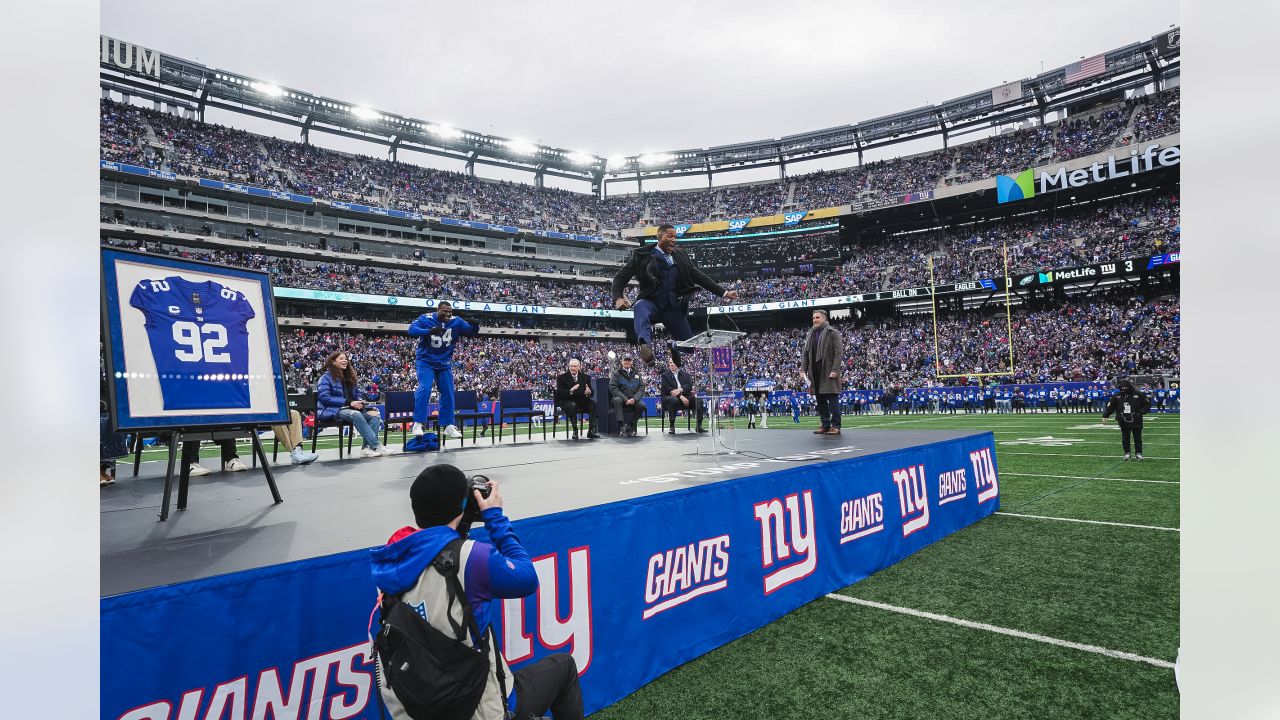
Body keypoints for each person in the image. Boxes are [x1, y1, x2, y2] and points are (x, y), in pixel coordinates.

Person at [370, 464, 584, 720]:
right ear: (463, 504)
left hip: (418, 704)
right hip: (476, 706)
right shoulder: (470, 557)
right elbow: (527, 579)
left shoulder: (392, 559)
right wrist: (495, 517)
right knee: (564, 667)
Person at [610, 224, 740, 366]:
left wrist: (724, 292)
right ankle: (644, 344)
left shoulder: (681, 255)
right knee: (640, 307)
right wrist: (618, 298)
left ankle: (674, 345)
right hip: (651, 302)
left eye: (675, 237)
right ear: (659, 236)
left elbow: (697, 275)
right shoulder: (642, 255)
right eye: (670, 236)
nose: (674, 240)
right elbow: (620, 278)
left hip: (673, 307)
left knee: (689, 348)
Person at [408, 301, 480, 440]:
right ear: (438, 310)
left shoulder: (457, 321)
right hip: (426, 361)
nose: (447, 314)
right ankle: (418, 423)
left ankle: (449, 425)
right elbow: (411, 330)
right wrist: (428, 331)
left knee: (448, 392)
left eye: (450, 312)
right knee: (425, 388)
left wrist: (475, 324)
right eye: (444, 311)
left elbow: (471, 333)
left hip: (444, 362)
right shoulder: (426, 318)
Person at [316, 350, 390, 457]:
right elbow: (324, 398)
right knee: (356, 414)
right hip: (333, 410)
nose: (345, 360)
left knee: (375, 416)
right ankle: (376, 445)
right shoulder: (325, 378)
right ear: (333, 362)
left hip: (351, 409)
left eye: (346, 359)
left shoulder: (349, 377)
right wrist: (349, 403)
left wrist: (359, 402)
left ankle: (366, 448)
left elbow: (357, 394)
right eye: (341, 358)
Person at [802, 309, 844, 436]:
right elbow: (805, 354)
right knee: (820, 400)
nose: (815, 320)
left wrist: (835, 370)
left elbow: (838, 353)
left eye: (818, 317)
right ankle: (825, 424)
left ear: (824, 318)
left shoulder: (833, 332)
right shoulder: (810, 333)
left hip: (828, 370)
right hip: (814, 371)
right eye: (814, 318)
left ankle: (836, 426)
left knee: (832, 399)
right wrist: (803, 369)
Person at [1102, 379, 1151, 461]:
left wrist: (1140, 413)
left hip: (1136, 419)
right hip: (1123, 419)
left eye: (1125, 387)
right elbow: (1111, 406)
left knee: (1137, 437)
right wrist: (1106, 415)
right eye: (1122, 387)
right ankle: (1127, 453)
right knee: (1125, 437)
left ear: (1129, 386)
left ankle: (1138, 453)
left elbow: (1146, 405)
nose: (1124, 388)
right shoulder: (1117, 395)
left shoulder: (1139, 394)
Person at [554, 358, 600, 440]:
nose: (573, 368)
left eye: (575, 366)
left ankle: (591, 431)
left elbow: (591, 392)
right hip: (566, 401)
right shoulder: (561, 378)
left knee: (593, 404)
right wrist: (570, 391)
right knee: (572, 405)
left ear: (579, 367)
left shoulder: (585, 377)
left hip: (581, 401)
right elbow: (559, 393)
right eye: (571, 366)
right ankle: (575, 430)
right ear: (568, 367)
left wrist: (589, 392)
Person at [659, 358, 706, 433]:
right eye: (670, 362)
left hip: (685, 396)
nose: (672, 364)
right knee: (673, 399)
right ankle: (672, 426)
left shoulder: (685, 374)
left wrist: (680, 390)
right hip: (670, 398)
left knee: (699, 400)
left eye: (673, 362)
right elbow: (667, 389)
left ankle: (699, 425)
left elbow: (689, 386)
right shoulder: (665, 375)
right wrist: (681, 396)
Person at [609, 354, 645, 437]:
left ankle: (631, 425)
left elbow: (641, 388)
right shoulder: (616, 373)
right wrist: (626, 399)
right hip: (621, 399)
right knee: (617, 400)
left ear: (632, 362)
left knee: (642, 406)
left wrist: (634, 399)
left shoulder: (637, 374)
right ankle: (621, 427)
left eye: (629, 360)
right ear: (622, 361)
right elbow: (613, 388)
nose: (627, 362)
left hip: (633, 399)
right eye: (625, 360)